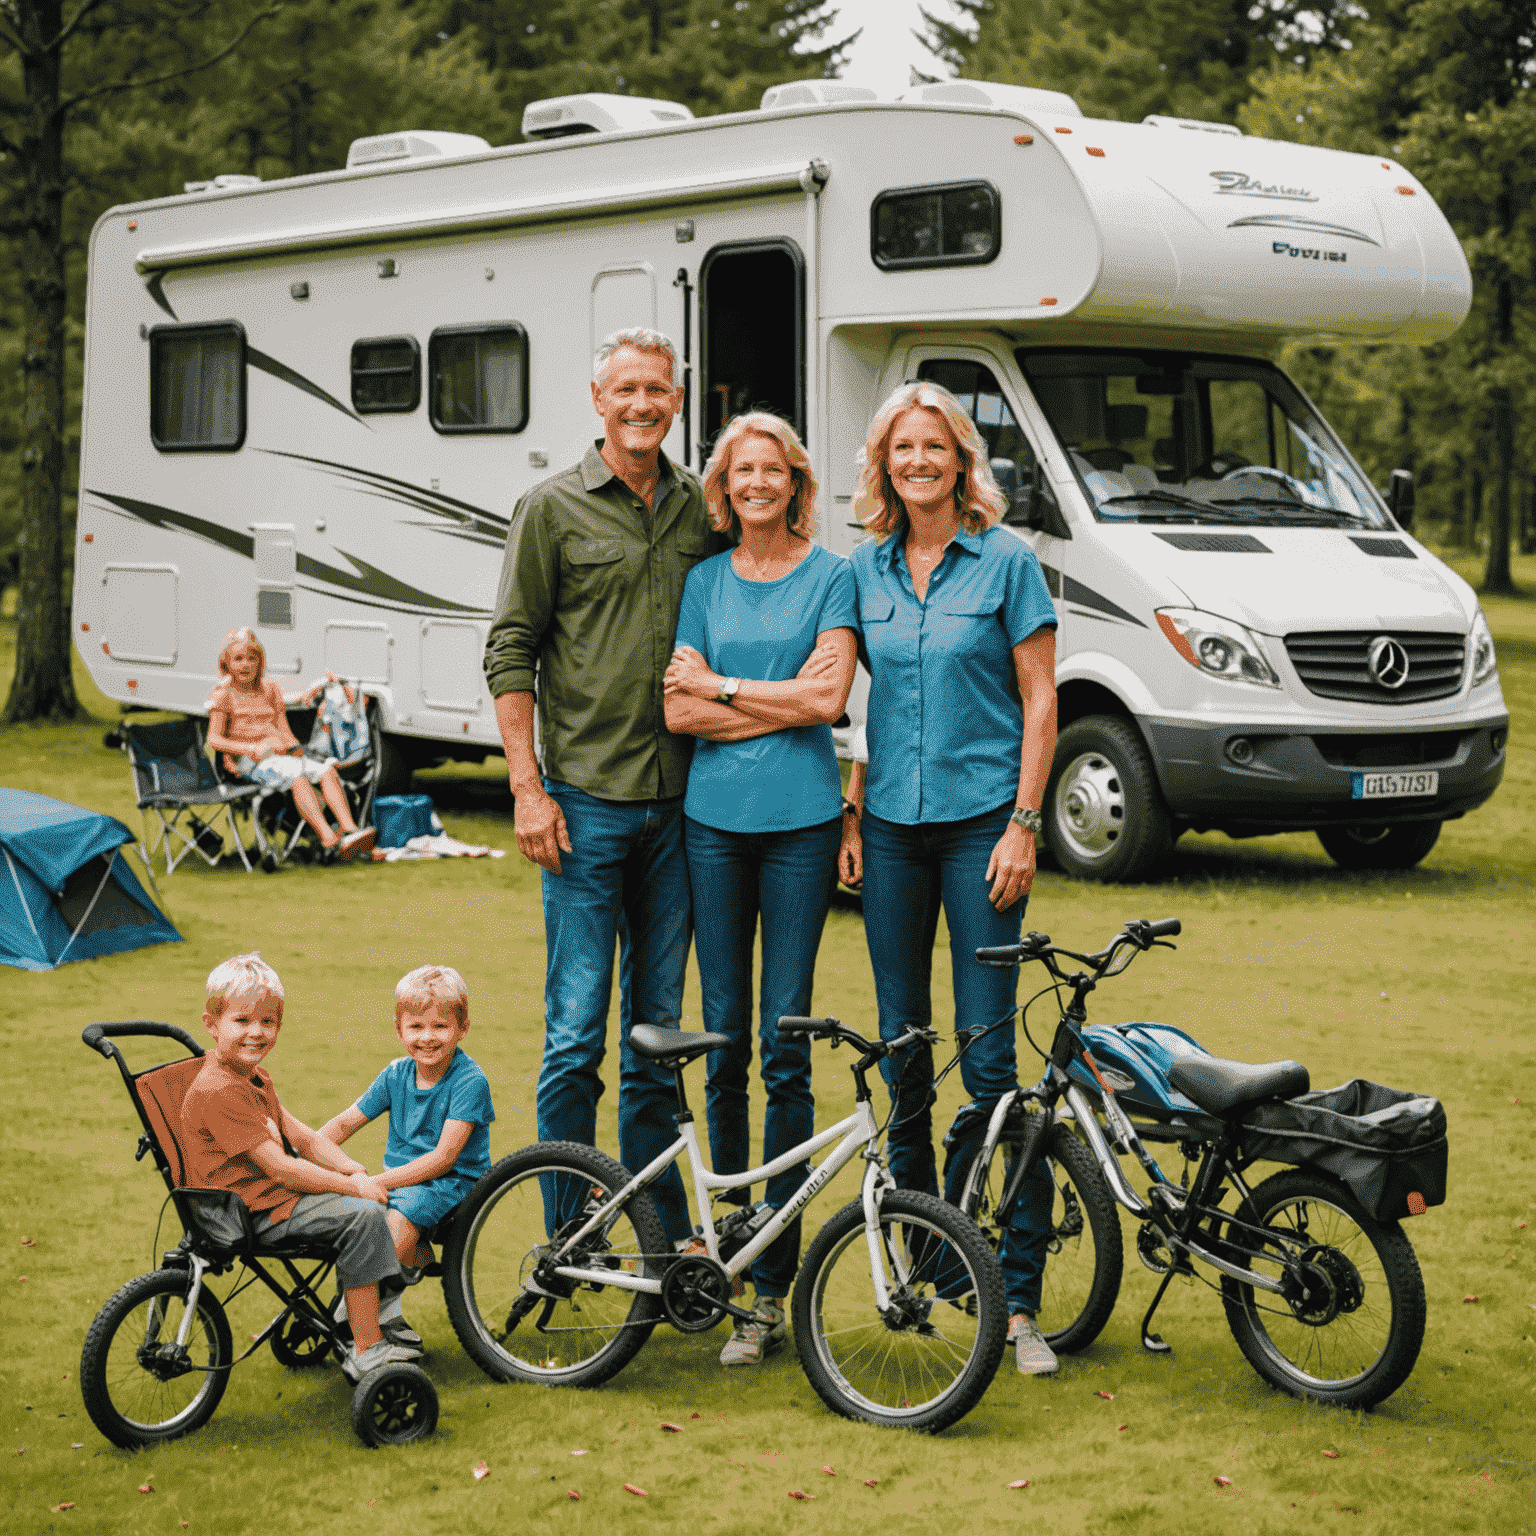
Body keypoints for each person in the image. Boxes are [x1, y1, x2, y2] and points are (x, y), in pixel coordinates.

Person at [483, 327, 724, 1247]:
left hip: (680, 814)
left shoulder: (701, 507)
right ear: (597, 399)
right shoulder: (550, 509)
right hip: (582, 810)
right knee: (575, 1037)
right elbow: (511, 647)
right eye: (625, 389)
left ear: (676, 398)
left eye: (656, 390)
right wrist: (526, 788)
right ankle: (567, 1237)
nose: (641, 404)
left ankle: (661, 1241)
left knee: (656, 1041)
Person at [838, 381, 1060, 1375]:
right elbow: (858, 701)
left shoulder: (1009, 564)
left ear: (962, 460)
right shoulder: (866, 569)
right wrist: (851, 811)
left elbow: (1042, 698)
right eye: (901, 449)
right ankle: (932, 1265)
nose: (918, 461)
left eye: (934, 447)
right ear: (883, 465)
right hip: (889, 830)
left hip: (982, 830)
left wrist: (1024, 823)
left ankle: (1015, 1299)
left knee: (992, 1068)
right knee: (904, 1053)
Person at [663, 412, 857, 1366]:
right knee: (724, 1041)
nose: (755, 485)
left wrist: (729, 691)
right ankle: (727, 1253)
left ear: (796, 481)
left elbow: (827, 703)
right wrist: (771, 701)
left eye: (770, 470)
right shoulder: (703, 581)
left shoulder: (833, 575)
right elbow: (673, 705)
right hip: (713, 829)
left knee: (787, 1041)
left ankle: (774, 1278)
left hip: (802, 830)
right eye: (739, 472)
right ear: (722, 487)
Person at [182, 953, 412, 1383]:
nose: (256, 1032)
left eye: (267, 1022)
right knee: (363, 1218)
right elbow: (284, 1170)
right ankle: (367, 1346)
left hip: (268, 1198)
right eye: (242, 1020)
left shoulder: (251, 1076)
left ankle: (375, 1309)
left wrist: (350, 1168)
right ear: (212, 1025)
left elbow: (302, 1137)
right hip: (249, 1212)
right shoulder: (221, 1091)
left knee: (372, 1200)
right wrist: (353, 1189)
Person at [319, 965, 495, 1356]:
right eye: (416, 1027)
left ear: (462, 1028)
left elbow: (444, 1157)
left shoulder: (469, 1080)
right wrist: (307, 1151)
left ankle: (358, 1319)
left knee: (389, 1237)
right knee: (353, 1224)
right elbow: (348, 1121)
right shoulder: (396, 1074)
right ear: (399, 1029)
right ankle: (389, 1300)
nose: (427, 1038)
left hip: (451, 1182)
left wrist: (379, 1182)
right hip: (402, 1179)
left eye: (440, 1027)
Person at [206, 628, 375, 862]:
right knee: (297, 775)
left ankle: (351, 832)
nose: (246, 665)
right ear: (226, 663)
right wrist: (249, 749)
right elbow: (213, 739)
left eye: (252, 658)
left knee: (325, 769)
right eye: (238, 659)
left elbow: (283, 728)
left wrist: (297, 749)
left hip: (278, 757)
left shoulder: (271, 688)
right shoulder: (223, 694)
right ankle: (327, 836)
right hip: (247, 762)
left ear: (260, 662)